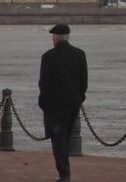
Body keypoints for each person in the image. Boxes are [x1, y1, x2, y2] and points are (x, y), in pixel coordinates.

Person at [38, 23, 88, 182]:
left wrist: (43, 103)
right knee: (66, 136)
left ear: (55, 38)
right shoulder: (80, 54)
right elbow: (84, 81)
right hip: (73, 104)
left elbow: (44, 84)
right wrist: (79, 98)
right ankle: (64, 171)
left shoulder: (48, 57)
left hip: (54, 106)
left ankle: (64, 173)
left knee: (57, 138)